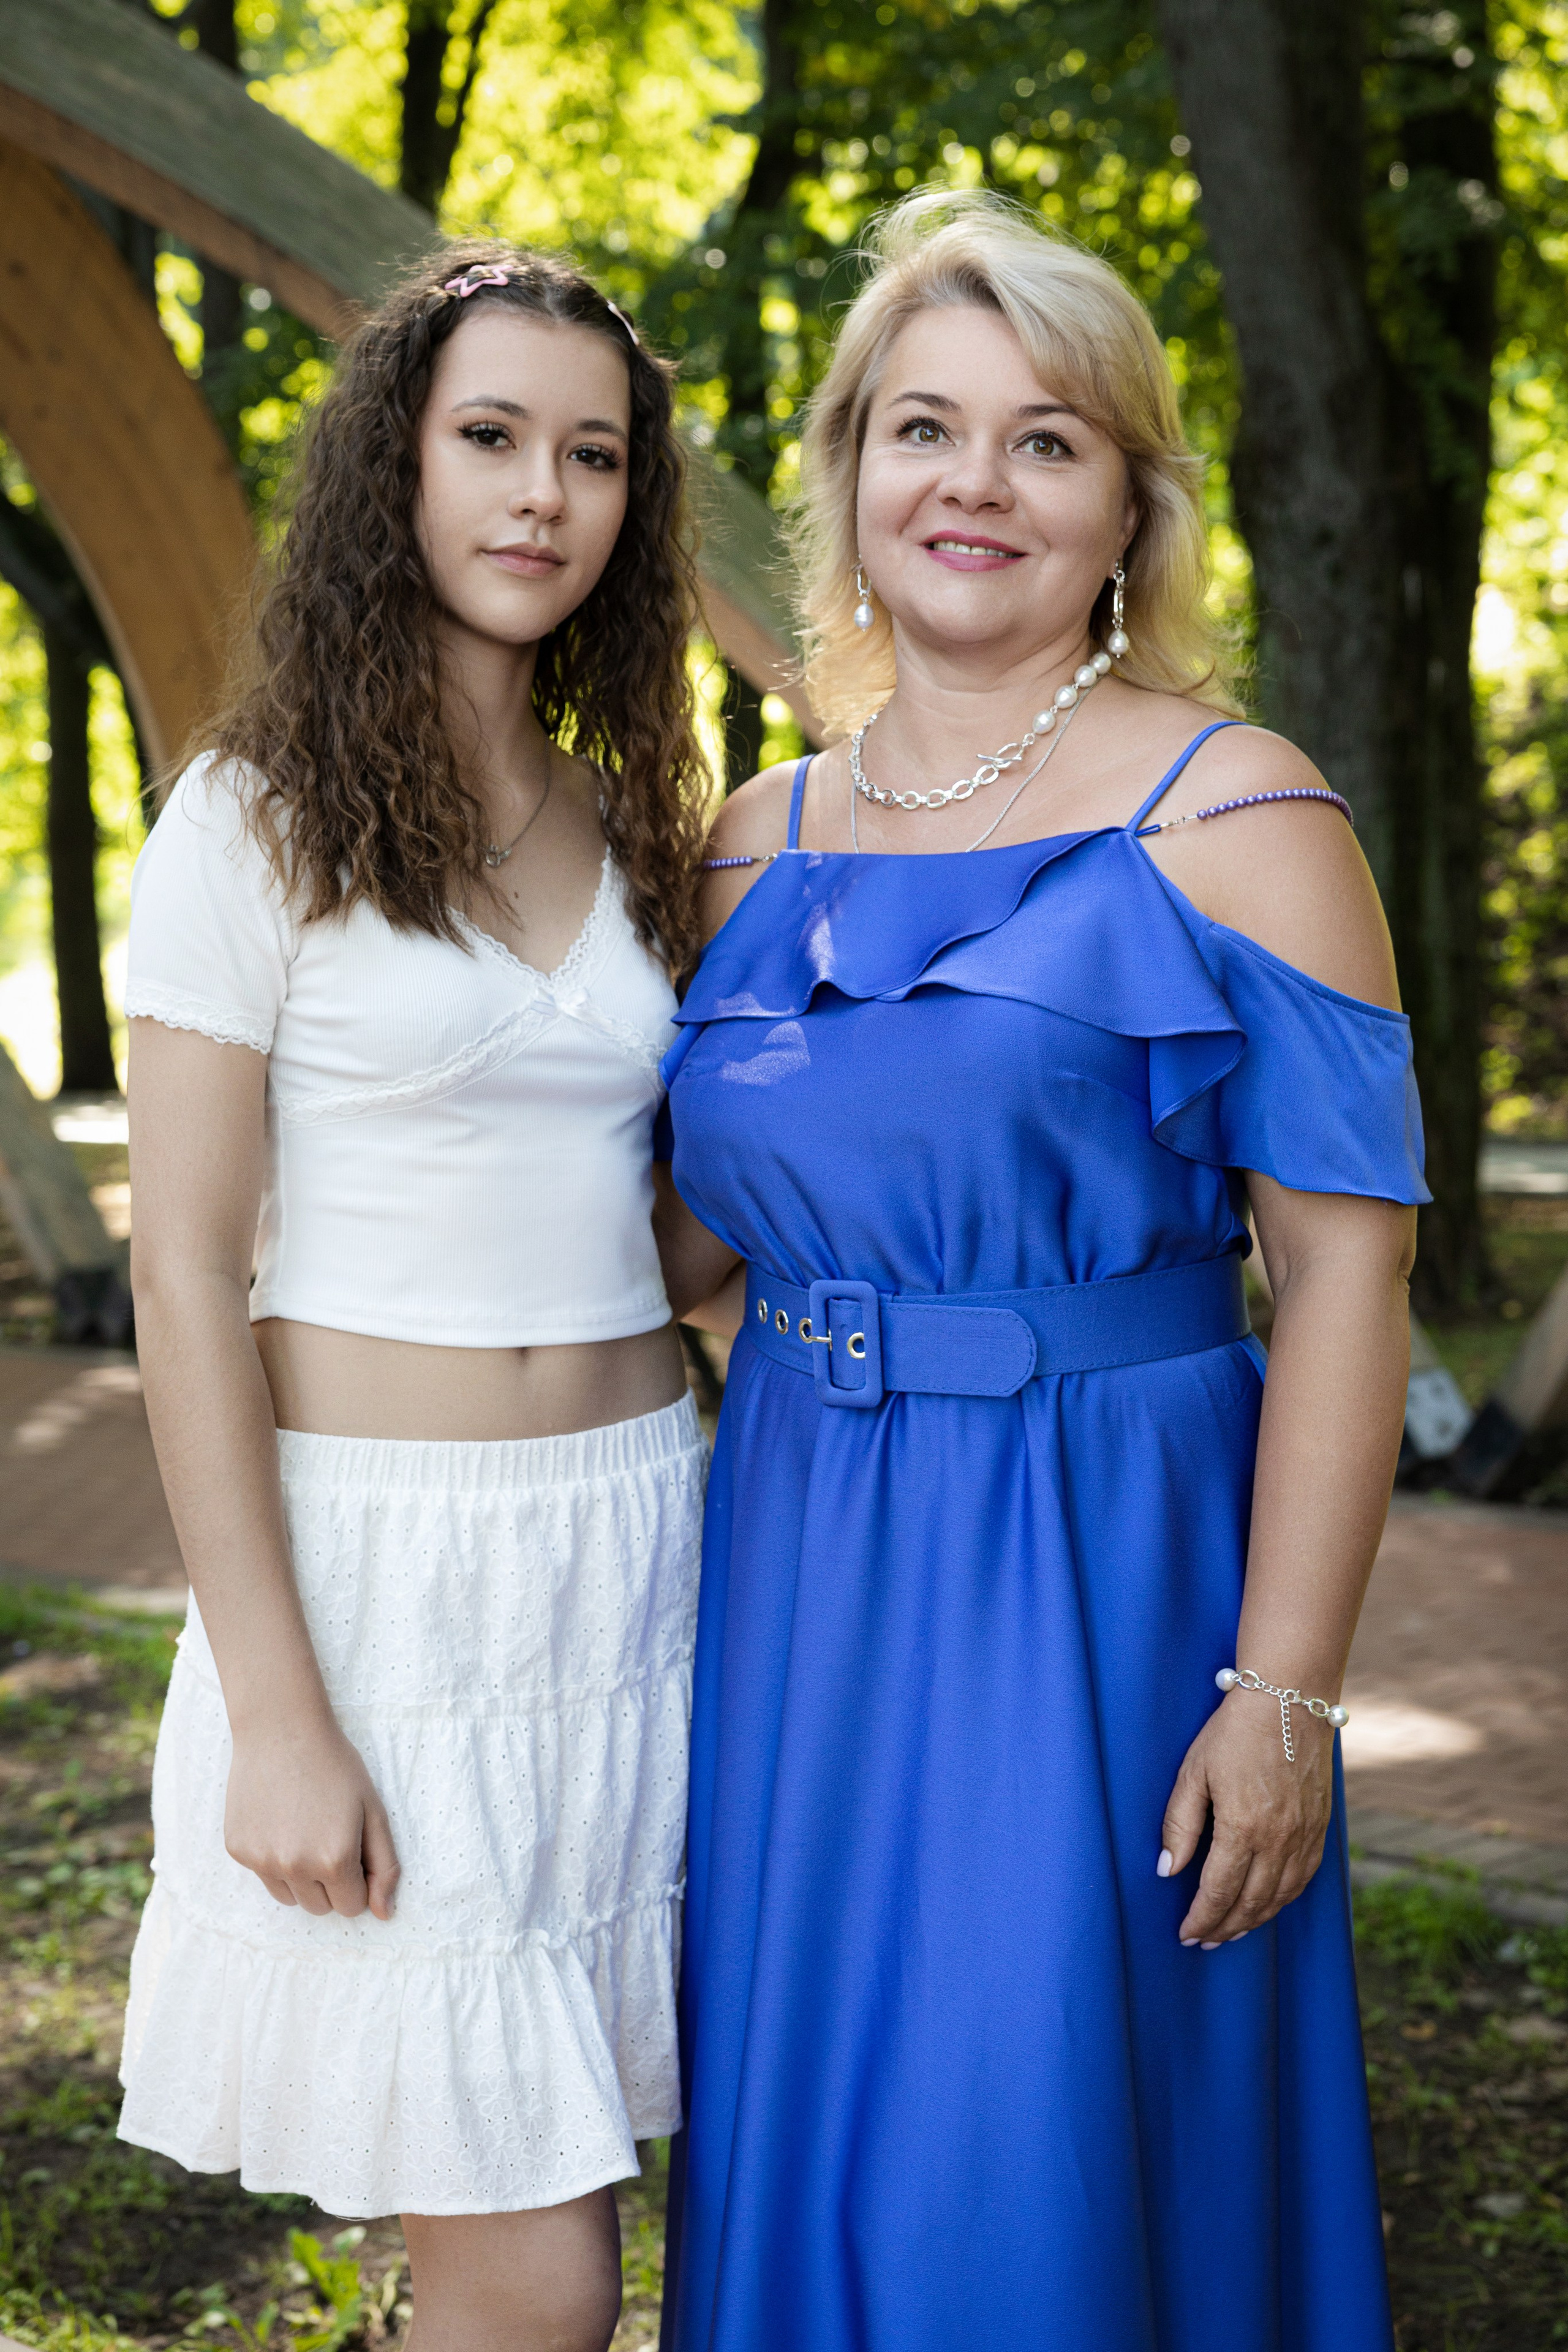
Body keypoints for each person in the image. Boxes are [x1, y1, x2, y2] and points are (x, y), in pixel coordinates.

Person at [652, 191, 1420, 2351]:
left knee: (1035, 2141)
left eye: (1046, 441)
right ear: (847, 475)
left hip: (1109, 1565)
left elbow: (1347, 1285)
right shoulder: (748, 835)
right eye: (923, 427)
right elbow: (683, 1235)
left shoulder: (1237, 811)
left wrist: (1285, 1691)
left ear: (1129, 511)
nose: (971, 484)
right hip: (802, 1556)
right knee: (818, 2114)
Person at [116, 244, 710, 2352]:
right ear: (398, 465)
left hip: (637, 1561)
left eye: (592, 455)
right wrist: (279, 1714)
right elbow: (180, 1275)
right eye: (491, 438)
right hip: (388, 1590)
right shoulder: (252, 819)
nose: (542, 493)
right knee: (538, 2256)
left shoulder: (645, 828)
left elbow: (673, 1221)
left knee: (544, 2214)